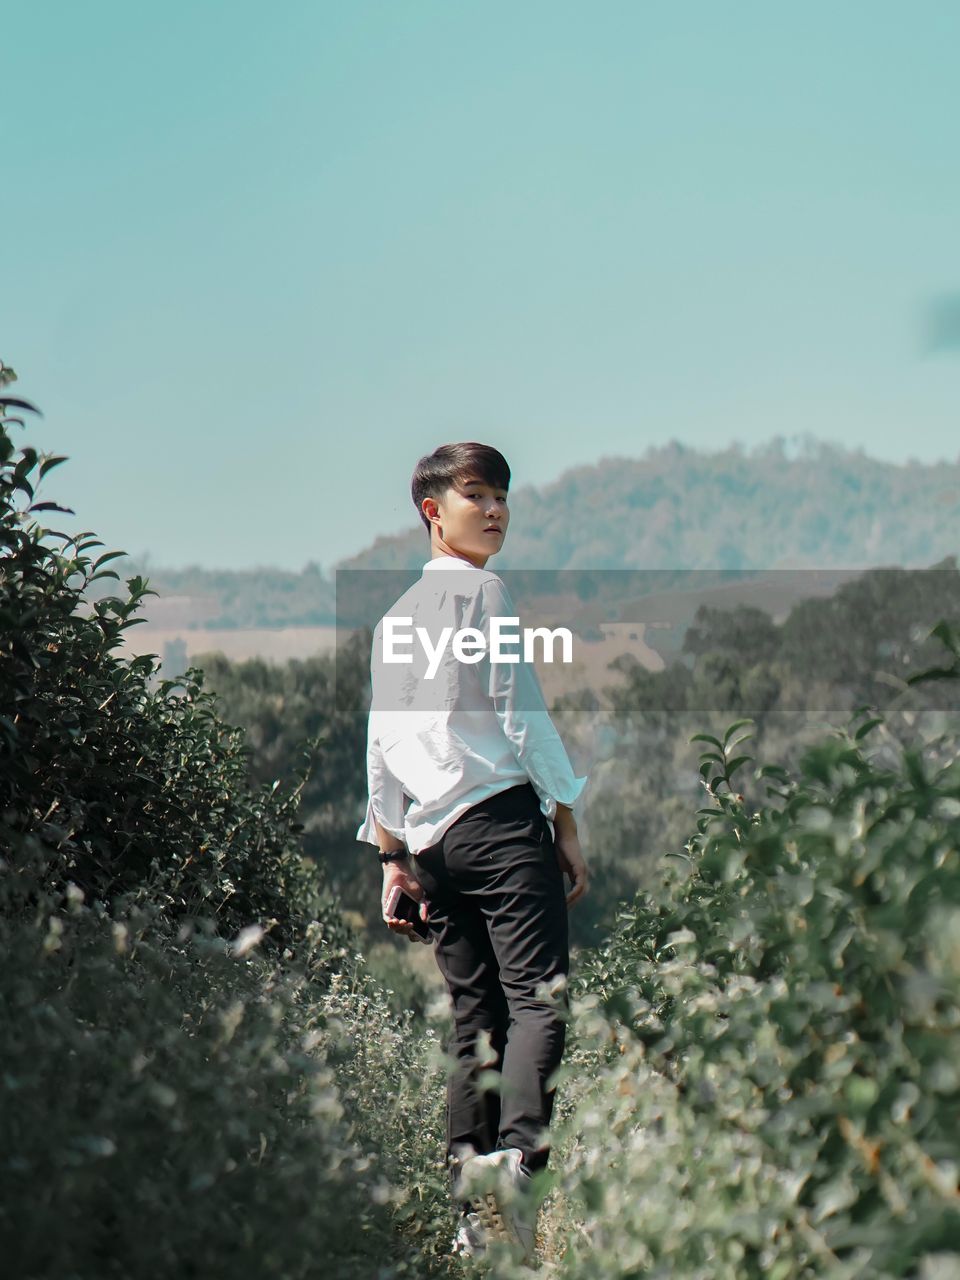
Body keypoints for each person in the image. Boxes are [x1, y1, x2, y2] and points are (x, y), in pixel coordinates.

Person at [356, 442, 589, 1261]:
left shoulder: (393, 623)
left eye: (501, 498)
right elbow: (520, 711)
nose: (495, 512)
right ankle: (521, 1162)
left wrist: (391, 858)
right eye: (476, 495)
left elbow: (381, 748)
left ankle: (467, 1207)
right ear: (433, 510)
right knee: (538, 1001)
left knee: (474, 1021)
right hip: (498, 824)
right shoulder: (483, 592)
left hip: (435, 846)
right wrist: (563, 813)